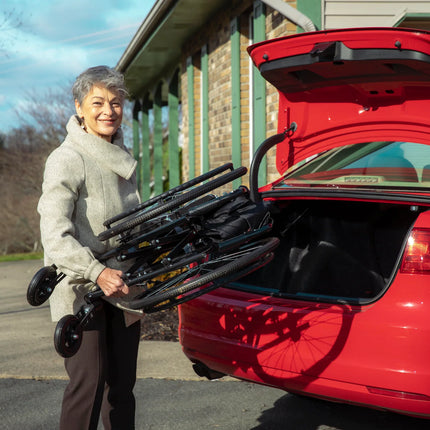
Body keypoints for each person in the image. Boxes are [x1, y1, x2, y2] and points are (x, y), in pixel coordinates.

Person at [38, 65, 143, 430]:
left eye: (116, 103)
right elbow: (54, 234)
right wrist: (97, 272)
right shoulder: (67, 158)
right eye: (97, 102)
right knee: (89, 385)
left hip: (126, 285)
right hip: (81, 287)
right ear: (79, 107)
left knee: (122, 390)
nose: (108, 111)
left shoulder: (123, 158)